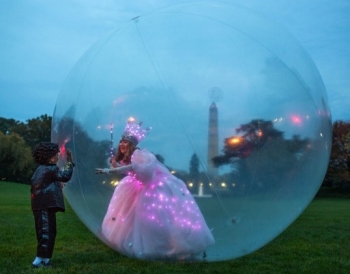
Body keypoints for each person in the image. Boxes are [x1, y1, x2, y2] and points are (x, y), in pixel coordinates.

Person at [96, 118, 215, 260]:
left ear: (132, 144)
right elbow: (123, 170)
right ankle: (130, 241)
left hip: (152, 188)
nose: (122, 144)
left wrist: (109, 171)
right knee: (129, 216)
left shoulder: (140, 155)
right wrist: (114, 164)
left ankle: (170, 246)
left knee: (155, 218)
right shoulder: (126, 158)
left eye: (125, 142)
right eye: (121, 141)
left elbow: (132, 168)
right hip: (135, 186)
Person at [30, 142, 75, 268]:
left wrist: (55, 185)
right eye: (56, 154)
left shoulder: (40, 169)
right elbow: (64, 176)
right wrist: (70, 163)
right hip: (45, 206)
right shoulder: (51, 168)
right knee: (47, 233)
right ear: (50, 157)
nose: (58, 156)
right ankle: (39, 261)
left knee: (47, 232)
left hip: (40, 206)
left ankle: (45, 259)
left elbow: (39, 184)